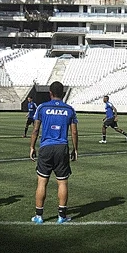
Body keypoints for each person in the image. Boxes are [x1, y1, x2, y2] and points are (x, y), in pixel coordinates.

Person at [29, 81, 78, 224]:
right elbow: (74, 131)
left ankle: (39, 216)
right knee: (62, 182)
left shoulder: (42, 107)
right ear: (62, 93)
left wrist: (32, 147)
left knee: (42, 182)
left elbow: (36, 130)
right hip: (62, 147)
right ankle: (61, 216)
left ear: (50, 93)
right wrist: (75, 149)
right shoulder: (69, 109)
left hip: (46, 147)